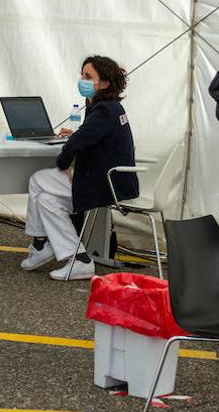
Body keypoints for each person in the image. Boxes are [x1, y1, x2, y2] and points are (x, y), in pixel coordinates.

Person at [21, 56, 139, 281]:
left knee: (37, 180)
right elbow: (90, 137)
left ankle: (39, 243)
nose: (82, 80)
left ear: (103, 84)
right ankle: (80, 259)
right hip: (109, 180)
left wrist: (63, 165)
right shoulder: (107, 107)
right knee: (47, 201)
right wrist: (76, 137)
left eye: (88, 76)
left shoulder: (105, 109)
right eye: (82, 75)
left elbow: (77, 144)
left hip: (104, 184)